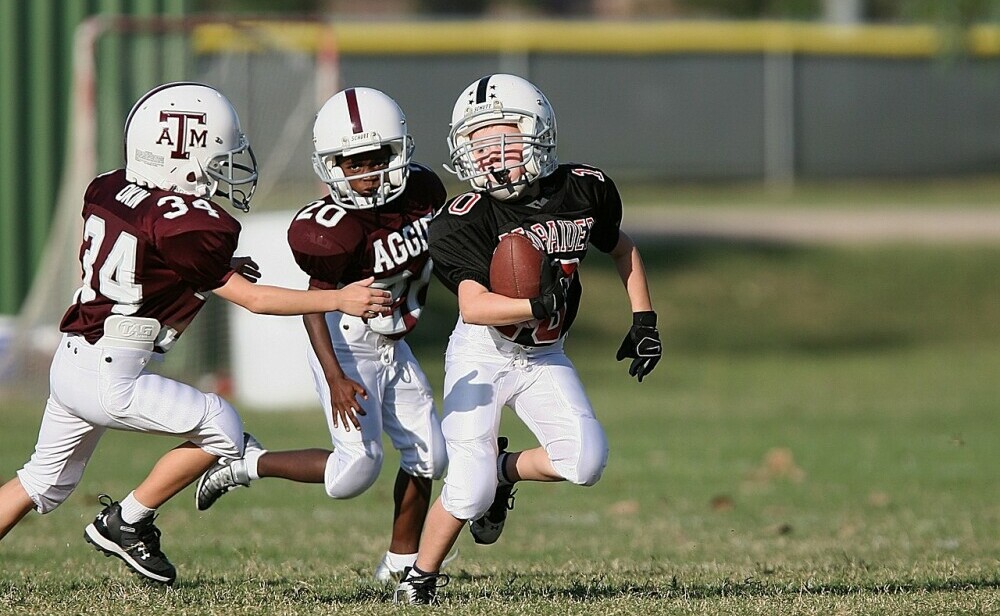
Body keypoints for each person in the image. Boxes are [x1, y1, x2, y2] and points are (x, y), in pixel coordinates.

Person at [0, 82, 391, 586]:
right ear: (179, 157)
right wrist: (337, 299)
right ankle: (127, 519)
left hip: (74, 357)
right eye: (216, 159)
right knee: (223, 427)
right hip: (111, 371)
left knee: (41, 483)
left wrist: (216, 267)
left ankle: (127, 520)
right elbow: (254, 300)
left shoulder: (110, 186)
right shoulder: (183, 221)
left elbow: (146, 255)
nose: (224, 171)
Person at [393, 74, 662, 604]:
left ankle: (503, 469)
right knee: (466, 491)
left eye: (504, 138)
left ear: (538, 133)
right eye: (478, 142)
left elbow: (619, 244)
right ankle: (419, 577)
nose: (491, 154)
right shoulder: (462, 218)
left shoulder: (585, 188)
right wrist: (536, 304)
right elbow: (473, 306)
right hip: (483, 353)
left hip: (543, 354)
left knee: (585, 461)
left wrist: (644, 318)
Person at [193, 87, 448, 582]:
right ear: (331, 165)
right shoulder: (331, 229)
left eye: (374, 159)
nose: (366, 174)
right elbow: (316, 307)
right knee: (353, 473)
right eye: (351, 163)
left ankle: (399, 566)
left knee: (430, 457)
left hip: (394, 341)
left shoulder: (423, 193)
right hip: (346, 341)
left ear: (398, 151)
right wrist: (334, 376)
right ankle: (248, 462)